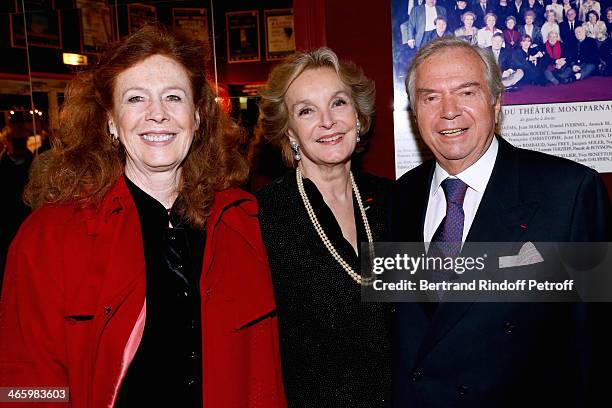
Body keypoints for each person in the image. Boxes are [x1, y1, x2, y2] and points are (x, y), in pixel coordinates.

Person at [0, 25, 286, 408]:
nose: (158, 114)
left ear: (198, 117)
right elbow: (23, 386)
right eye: (136, 98)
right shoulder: (48, 237)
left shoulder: (243, 224)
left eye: (173, 97)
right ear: (110, 122)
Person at [390, 36, 611, 407]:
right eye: (430, 97)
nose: (449, 111)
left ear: (496, 104)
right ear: (415, 114)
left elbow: (598, 345)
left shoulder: (569, 193)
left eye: (467, 93)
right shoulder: (396, 199)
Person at [256, 48, 392, 407]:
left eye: (338, 103)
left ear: (359, 118)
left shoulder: (395, 201)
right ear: (289, 132)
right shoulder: (262, 217)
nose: (327, 121)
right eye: (306, 111)